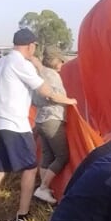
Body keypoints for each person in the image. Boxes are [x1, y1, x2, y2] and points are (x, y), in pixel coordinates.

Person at [0, 29, 76, 221]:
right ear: (30, 45)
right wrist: (70, 101)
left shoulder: (1, 62)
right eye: (34, 47)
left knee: (1, 169)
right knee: (29, 169)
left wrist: (37, 65)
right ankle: (22, 216)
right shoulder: (21, 64)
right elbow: (48, 93)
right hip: (16, 126)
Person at [31, 47, 70, 205]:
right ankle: (43, 187)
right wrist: (70, 101)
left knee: (47, 155)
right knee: (62, 156)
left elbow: (36, 99)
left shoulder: (39, 73)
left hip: (40, 119)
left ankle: (44, 189)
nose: (62, 63)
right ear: (53, 60)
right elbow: (53, 95)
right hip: (52, 119)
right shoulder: (52, 75)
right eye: (60, 60)